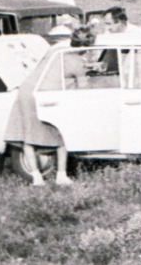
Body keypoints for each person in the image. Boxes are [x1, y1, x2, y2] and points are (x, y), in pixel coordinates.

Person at [5, 25, 90, 187]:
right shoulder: (78, 62)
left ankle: (36, 177)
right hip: (44, 95)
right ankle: (61, 175)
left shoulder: (57, 51)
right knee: (61, 135)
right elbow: (83, 89)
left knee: (28, 134)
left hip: (27, 90)